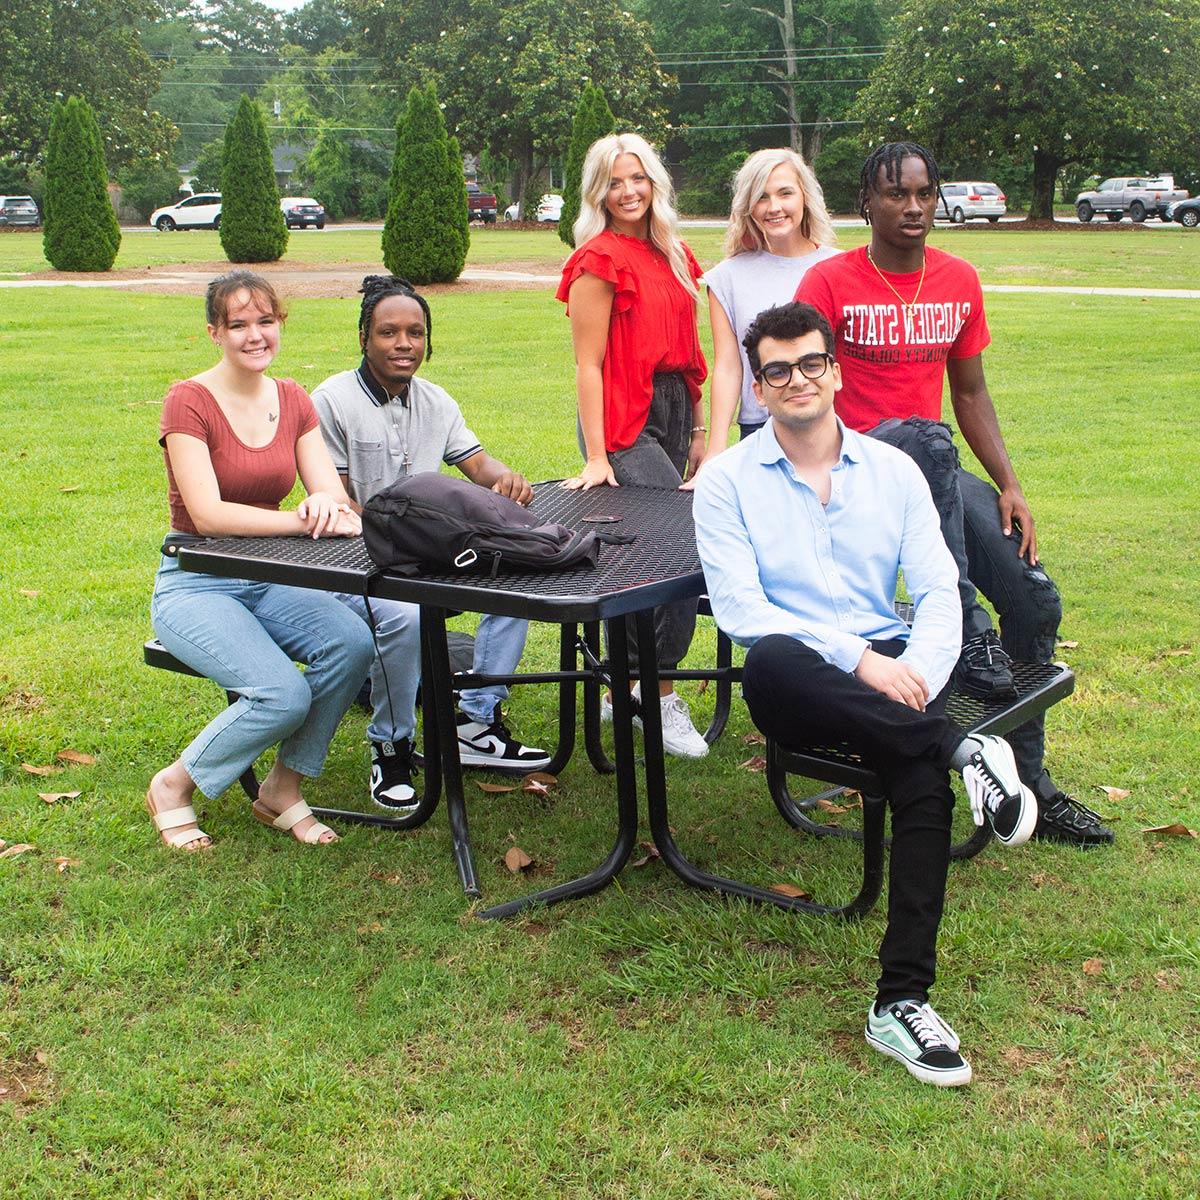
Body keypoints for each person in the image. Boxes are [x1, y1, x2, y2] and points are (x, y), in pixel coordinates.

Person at [694, 301, 1039, 1087]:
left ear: (836, 371)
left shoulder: (895, 473)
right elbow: (744, 613)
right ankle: (963, 750)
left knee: (921, 785)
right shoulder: (725, 482)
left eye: (810, 362)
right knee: (772, 658)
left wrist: (917, 668)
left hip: (893, 667)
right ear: (759, 387)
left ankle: (900, 1003)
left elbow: (940, 591)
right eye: (777, 370)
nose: (796, 380)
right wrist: (861, 661)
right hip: (801, 677)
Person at [796, 142, 1112, 847]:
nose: (912, 206)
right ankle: (967, 633)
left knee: (1034, 598)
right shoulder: (828, 283)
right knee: (927, 442)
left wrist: (1009, 484)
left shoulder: (959, 280)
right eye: (895, 194)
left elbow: (968, 392)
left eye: (923, 193)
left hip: (933, 471)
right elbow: (803, 391)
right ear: (865, 203)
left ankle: (1032, 783)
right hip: (855, 468)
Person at [147, 271, 375, 851]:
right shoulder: (188, 400)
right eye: (239, 324)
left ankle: (282, 786)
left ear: (280, 325)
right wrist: (302, 518)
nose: (255, 335)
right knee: (281, 694)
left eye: (265, 321)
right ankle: (174, 785)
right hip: (196, 585)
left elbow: (333, 499)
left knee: (351, 643)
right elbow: (208, 516)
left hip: (271, 578)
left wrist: (327, 504)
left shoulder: (294, 399)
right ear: (214, 333)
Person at [312, 275, 551, 812]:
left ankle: (475, 720)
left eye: (415, 333)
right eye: (389, 332)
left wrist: (503, 479)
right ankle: (391, 744)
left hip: (428, 556)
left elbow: (477, 465)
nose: (404, 344)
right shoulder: (331, 400)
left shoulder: (436, 401)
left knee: (514, 575)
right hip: (354, 561)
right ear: (364, 338)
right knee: (404, 615)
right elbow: (337, 499)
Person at [555, 132, 709, 758]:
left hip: (673, 406)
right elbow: (587, 365)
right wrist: (598, 454)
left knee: (665, 552)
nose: (628, 192)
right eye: (615, 182)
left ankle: (625, 691)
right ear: (599, 190)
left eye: (637, 178)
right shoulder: (599, 259)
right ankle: (657, 692)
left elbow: (694, 351)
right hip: (623, 417)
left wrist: (700, 433)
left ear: (655, 183)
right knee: (679, 540)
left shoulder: (673, 252)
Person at [690, 147, 839, 470]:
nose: (774, 207)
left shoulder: (837, 267)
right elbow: (729, 368)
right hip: (759, 430)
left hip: (830, 428)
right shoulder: (727, 278)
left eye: (785, 193)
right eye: (761, 197)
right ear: (747, 206)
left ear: (805, 197)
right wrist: (716, 450)